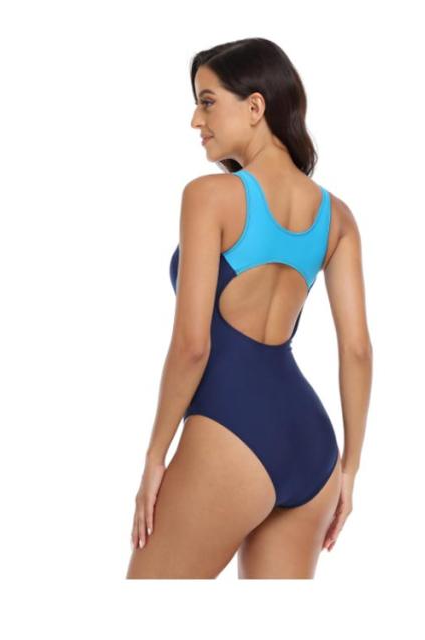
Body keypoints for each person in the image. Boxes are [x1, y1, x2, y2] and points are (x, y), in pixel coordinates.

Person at [126, 38, 373, 579]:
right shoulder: (338, 218)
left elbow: (193, 346)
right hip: (312, 448)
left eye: (208, 101)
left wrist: (154, 456)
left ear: (256, 106)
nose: (196, 120)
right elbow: (357, 349)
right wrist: (349, 469)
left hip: (231, 430)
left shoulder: (210, 197)